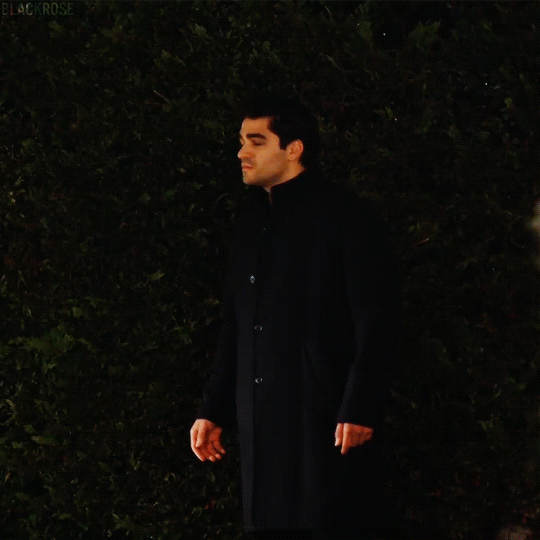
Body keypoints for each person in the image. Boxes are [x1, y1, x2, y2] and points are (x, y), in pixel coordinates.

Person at [190, 94, 401, 540]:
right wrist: (213, 409)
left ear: (294, 148)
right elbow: (236, 328)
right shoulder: (250, 225)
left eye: (256, 141)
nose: (242, 153)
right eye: (241, 141)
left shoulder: (346, 217)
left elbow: (378, 320)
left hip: (326, 426)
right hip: (262, 428)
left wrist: (360, 406)